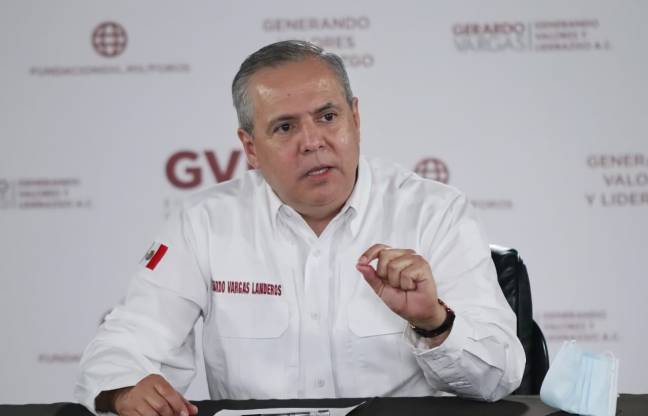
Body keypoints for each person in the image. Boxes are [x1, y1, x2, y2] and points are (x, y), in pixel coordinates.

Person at [75, 40, 526, 416]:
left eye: (327, 117)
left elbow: (500, 376)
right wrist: (125, 388)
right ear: (250, 147)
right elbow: (126, 343)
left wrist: (434, 323)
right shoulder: (203, 223)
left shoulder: (435, 212)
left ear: (355, 119)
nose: (312, 142)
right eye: (285, 127)